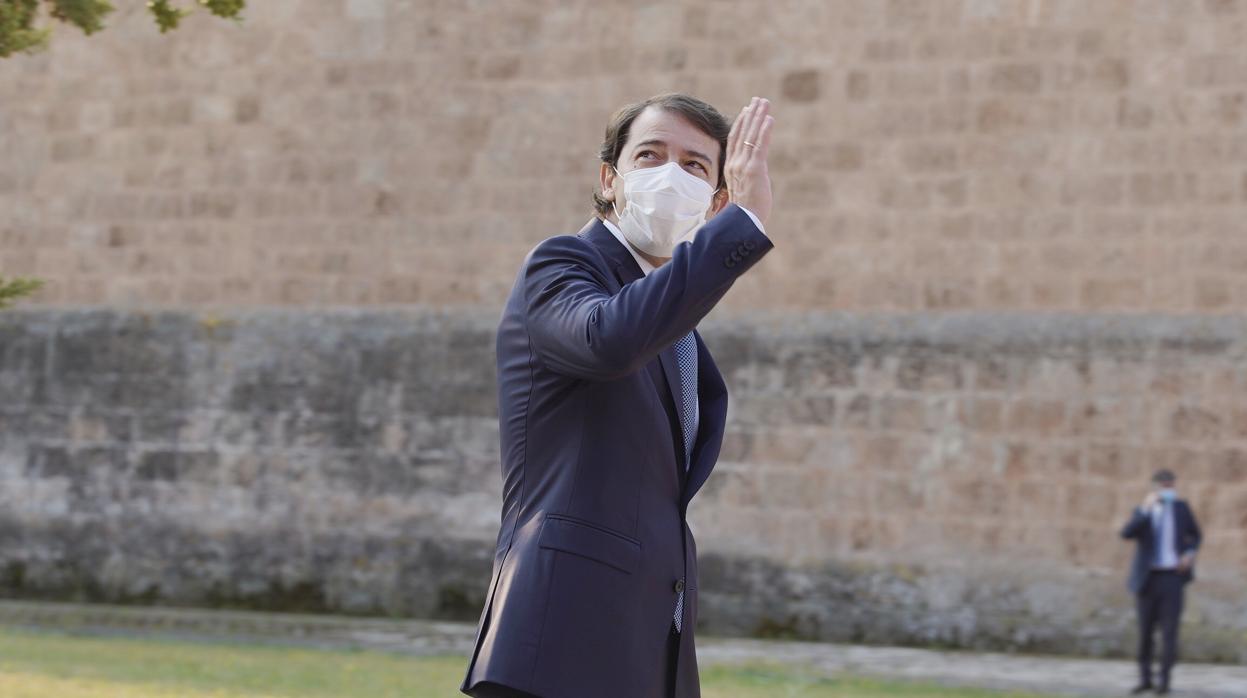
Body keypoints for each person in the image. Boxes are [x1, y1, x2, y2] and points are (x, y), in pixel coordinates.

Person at [460, 93, 776, 698]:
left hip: (643, 651)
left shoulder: (672, 324)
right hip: (555, 642)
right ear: (610, 179)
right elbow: (608, 340)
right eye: (650, 156)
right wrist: (745, 226)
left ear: (714, 199)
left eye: (693, 166)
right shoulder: (561, 268)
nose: (668, 175)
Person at [1119, 469, 1202, 695]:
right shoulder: (1143, 511)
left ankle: (1164, 681)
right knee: (1145, 632)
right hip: (1147, 579)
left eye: (1171, 485)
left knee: (1169, 632)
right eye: (1164, 485)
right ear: (1155, 487)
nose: (1168, 489)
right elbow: (1126, 533)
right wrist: (1145, 509)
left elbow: (1196, 535)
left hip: (1172, 577)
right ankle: (1145, 678)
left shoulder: (1182, 508)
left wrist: (1189, 553)